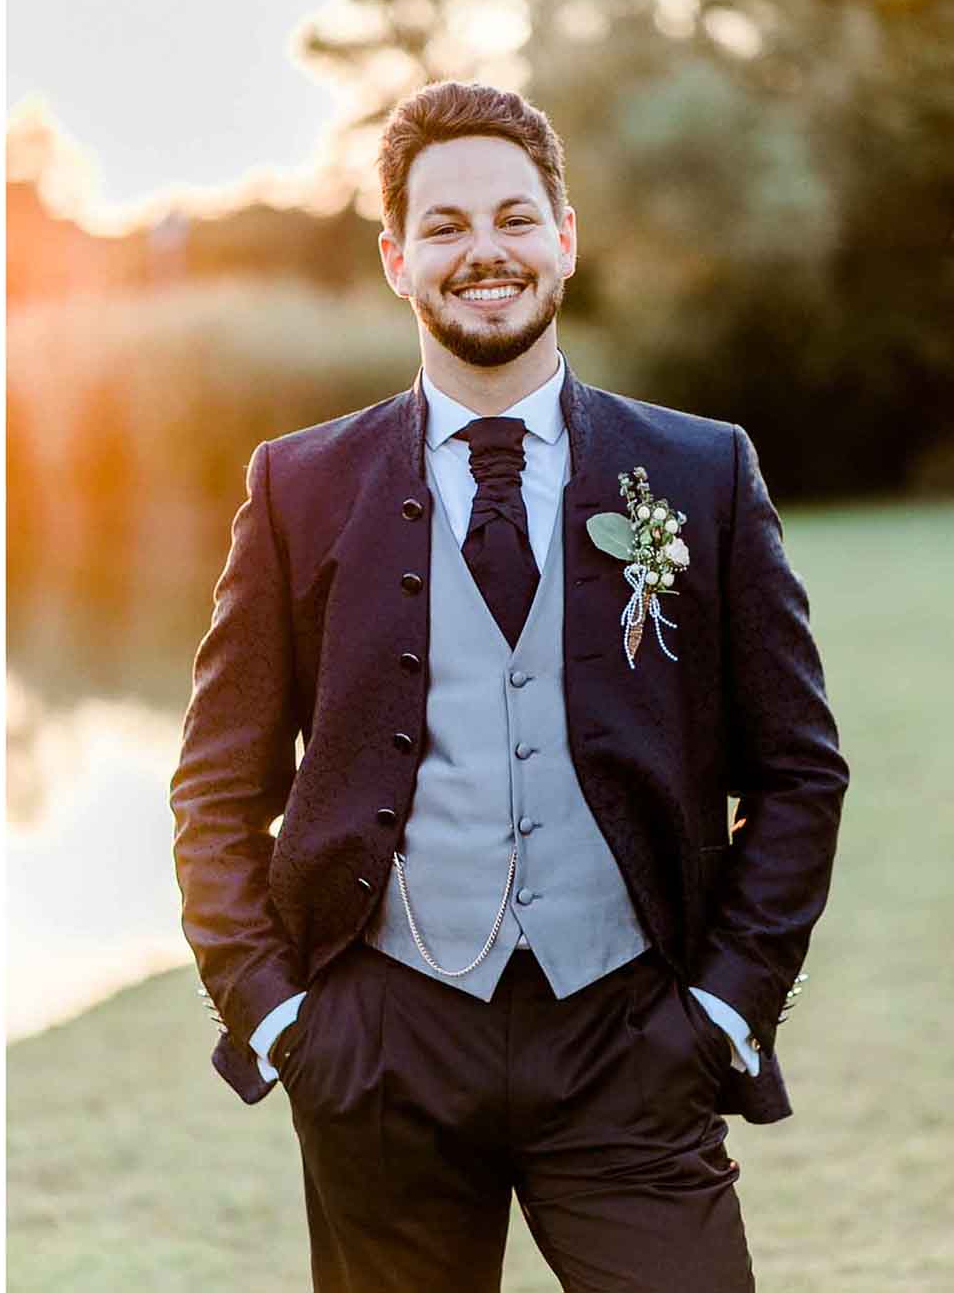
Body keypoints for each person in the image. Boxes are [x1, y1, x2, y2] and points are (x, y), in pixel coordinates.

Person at [170, 80, 847, 1292]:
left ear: (565, 238)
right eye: (443, 226)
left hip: (632, 1041)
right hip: (381, 1052)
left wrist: (725, 1011)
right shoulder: (300, 487)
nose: (484, 251)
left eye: (514, 217)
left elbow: (800, 772)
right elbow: (216, 790)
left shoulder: (701, 472)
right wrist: (281, 1018)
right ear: (395, 259)